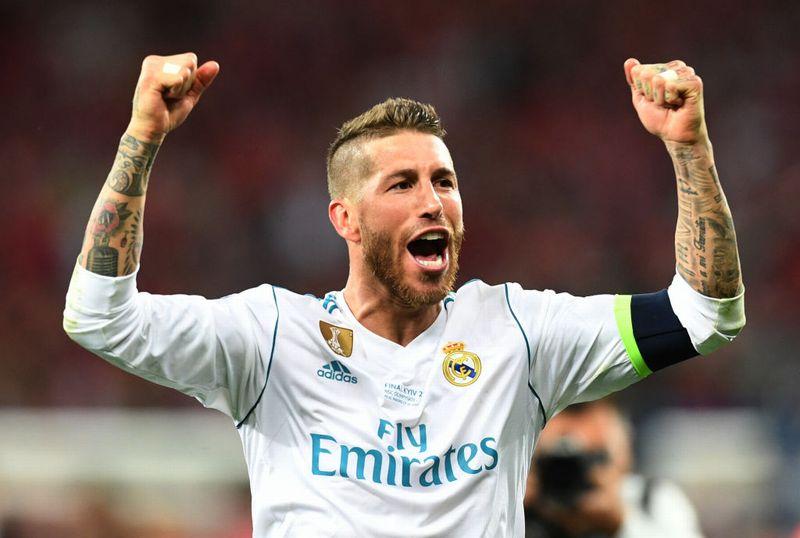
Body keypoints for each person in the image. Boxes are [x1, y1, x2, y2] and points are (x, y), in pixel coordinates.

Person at [63, 52, 745, 536]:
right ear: (346, 220)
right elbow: (98, 317)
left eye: (444, 181)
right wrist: (142, 136)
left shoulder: (518, 332)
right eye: (402, 184)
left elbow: (705, 314)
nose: (433, 202)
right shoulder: (269, 336)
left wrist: (689, 147)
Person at [524, 399, 703, 537]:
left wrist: (620, 524)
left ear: (625, 455)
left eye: (595, 457)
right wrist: (516, 509)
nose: (569, 473)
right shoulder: (521, 505)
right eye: (555, 459)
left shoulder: (653, 499)